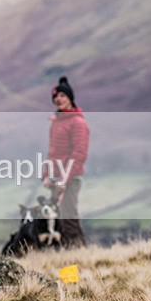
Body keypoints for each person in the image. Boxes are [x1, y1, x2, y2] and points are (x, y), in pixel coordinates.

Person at [42, 76, 89, 247]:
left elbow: (79, 154)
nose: (58, 99)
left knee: (68, 217)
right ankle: (70, 256)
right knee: (58, 219)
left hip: (71, 177)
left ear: (70, 98)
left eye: (62, 96)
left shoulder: (77, 123)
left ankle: (80, 254)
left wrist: (64, 179)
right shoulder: (56, 123)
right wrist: (46, 175)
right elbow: (52, 153)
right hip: (56, 177)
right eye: (56, 97)